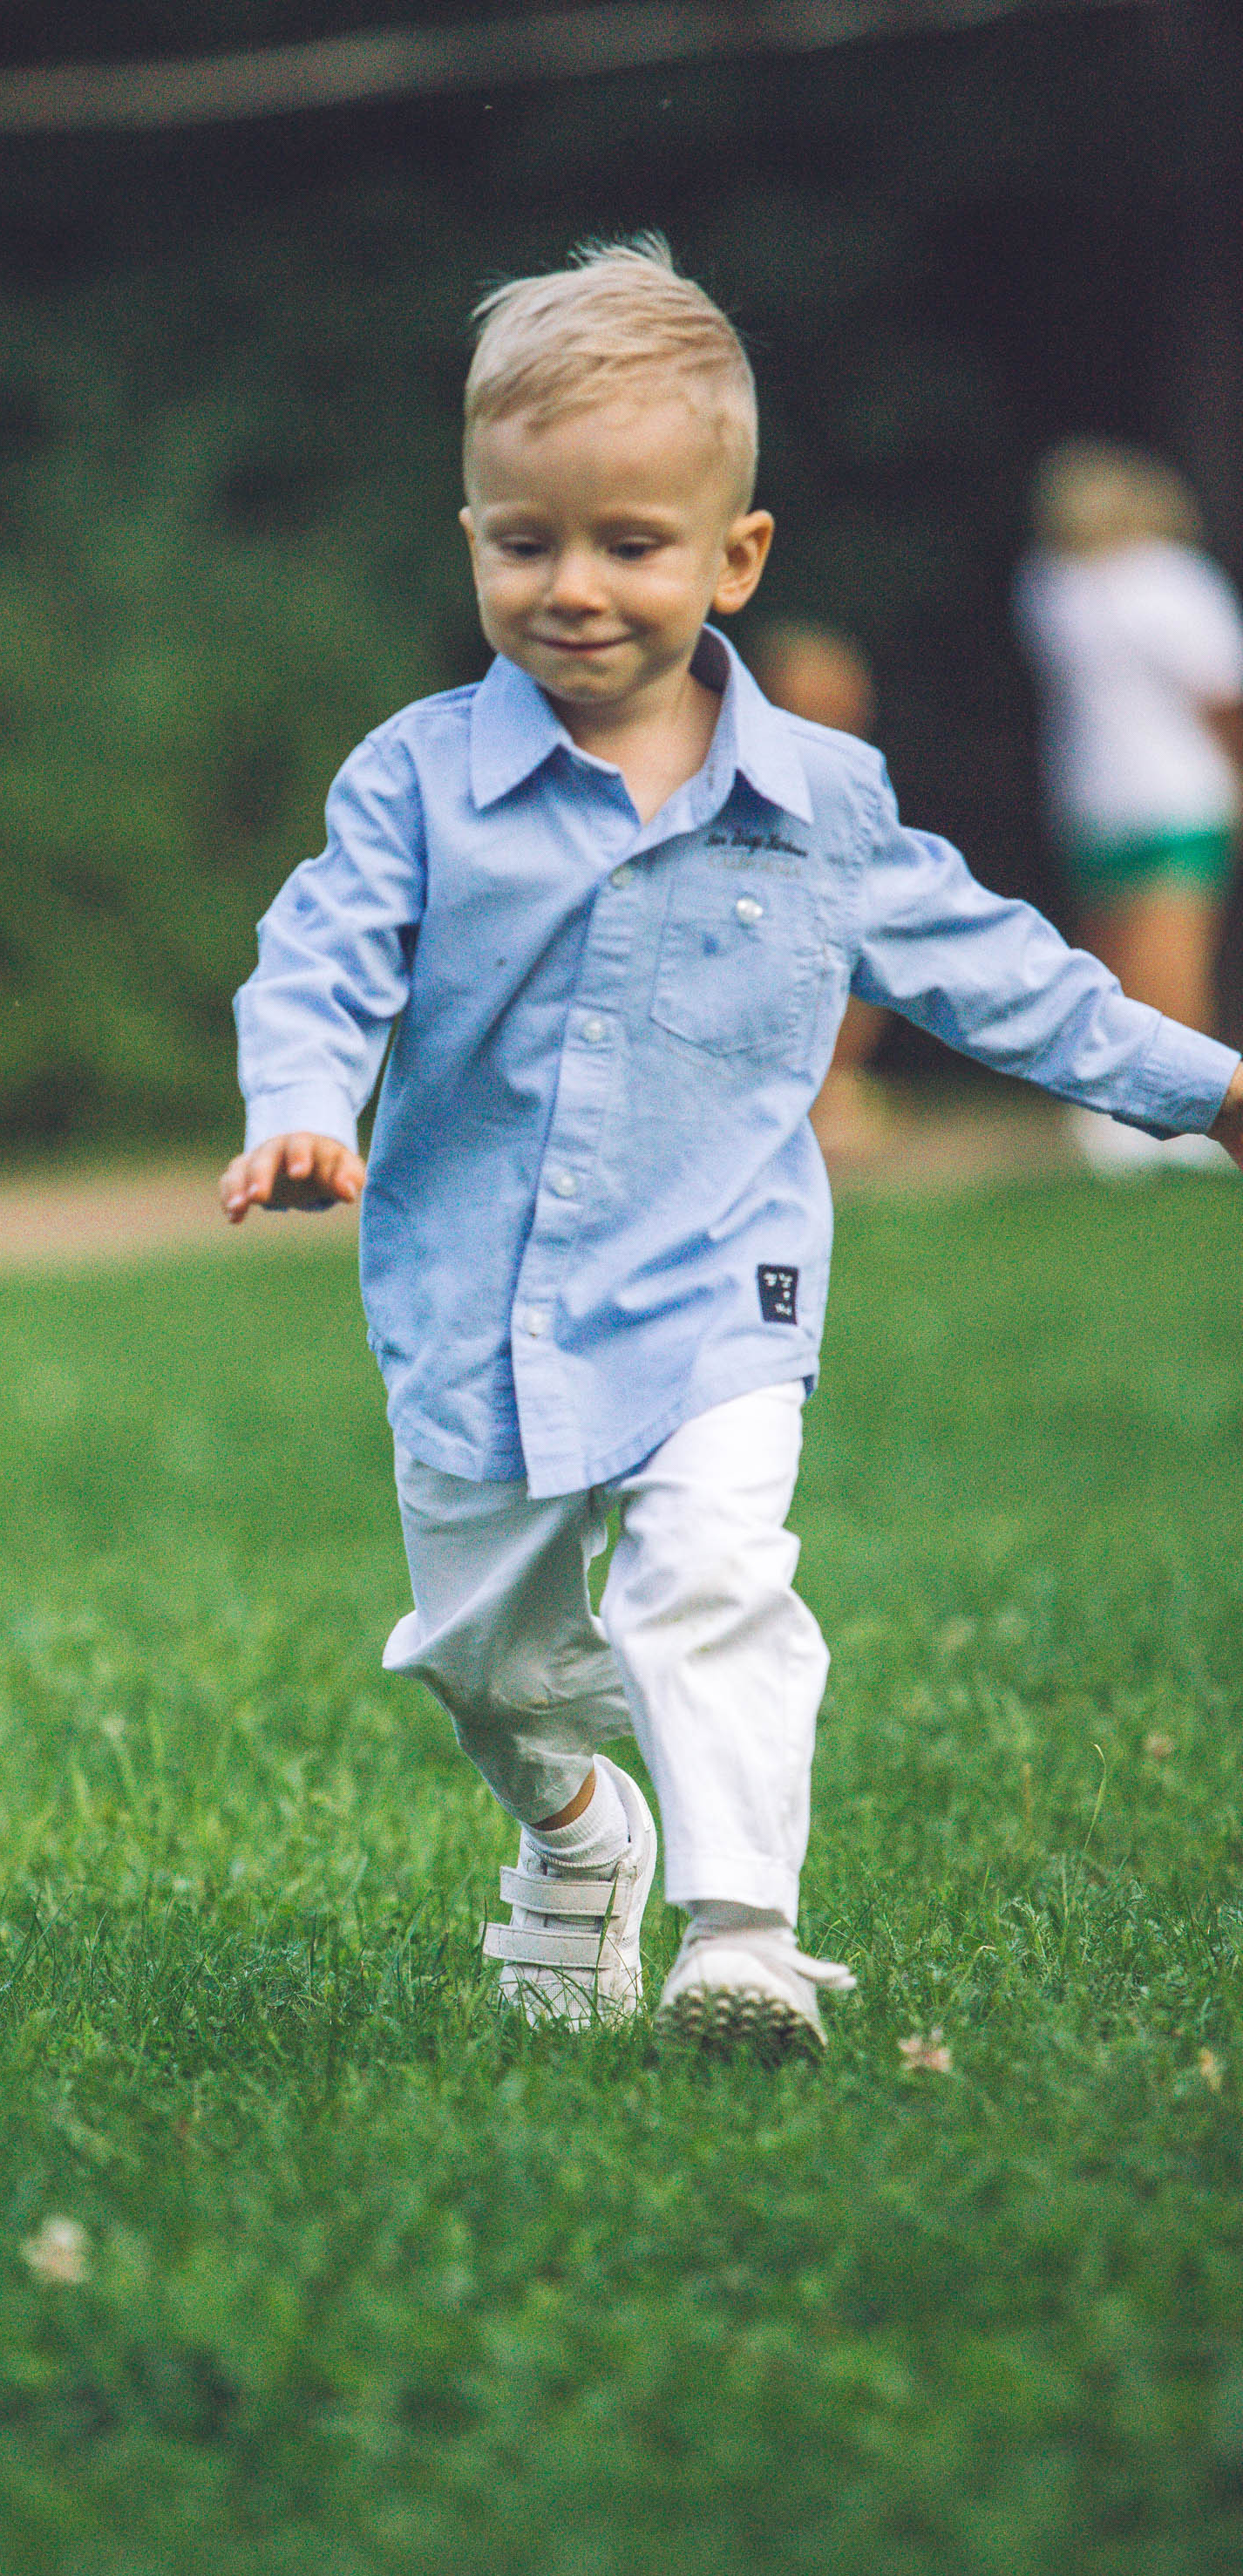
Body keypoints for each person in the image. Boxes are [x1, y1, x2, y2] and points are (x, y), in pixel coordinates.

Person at [221, 240, 1243, 2061]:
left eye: (630, 543)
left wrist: (1204, 1085)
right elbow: (319, 954)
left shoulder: (820, 809)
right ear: (470, 540)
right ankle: (576, 1838)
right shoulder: (410, 783)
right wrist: (300, 1103)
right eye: (524, 541)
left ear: (732, 558)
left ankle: (743, 1943)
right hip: (474, 1301)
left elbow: (999, 971)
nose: (575, 587)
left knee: (709, 1575)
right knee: (485, 1668)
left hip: (720, 1278)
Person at [1015, 438, 1243, 1173]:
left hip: (1090, 789)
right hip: (1177, 786)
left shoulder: (1051, 585)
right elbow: (1219, 694)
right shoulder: (1171, 579)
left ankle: (1106, 1103)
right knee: (1174, 946)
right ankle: (1173, 1112)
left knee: (1108, 949)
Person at [744, 622, 896, 1169]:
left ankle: (833, 1086)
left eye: (841, 706)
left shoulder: (861, 793)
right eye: (810, 709)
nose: (829, 721)